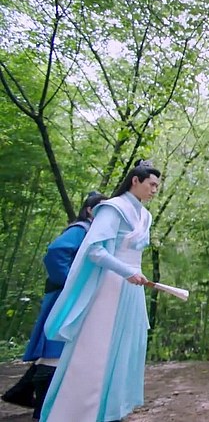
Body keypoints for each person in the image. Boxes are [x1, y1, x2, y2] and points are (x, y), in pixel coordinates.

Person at [40, 160, 160, 422]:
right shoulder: (112, 208)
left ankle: (110, 411)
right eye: (151, 184)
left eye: (157, 187)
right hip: (110, 287)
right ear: (135, 181)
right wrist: (126, 271)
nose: (154, 190)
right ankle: (79, 412)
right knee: (96, 348)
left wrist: (134, 274)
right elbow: (95, 250)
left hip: (132, 287)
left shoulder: (145, 216)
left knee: (127, 347)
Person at [1, 192, 107, 419]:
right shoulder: (81, 230)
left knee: (62, 347)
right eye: (101, 209)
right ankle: (42, 410)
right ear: (90, 210)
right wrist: (71, 283)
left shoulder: (92, 232)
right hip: (65, 295)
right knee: (56, 346)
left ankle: (22, 392)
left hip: (71, 294)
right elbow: (56, 252)